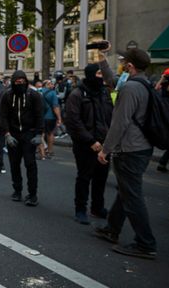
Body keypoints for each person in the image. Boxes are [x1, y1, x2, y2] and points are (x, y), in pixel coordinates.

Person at [94, 48, 157, 259]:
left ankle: (145, 243)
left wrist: (105, 149)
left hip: (130, 148)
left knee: (132, 196)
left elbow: (119, 123)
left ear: (130, 66)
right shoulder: (142, 83)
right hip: (142, 146)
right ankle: (112, 228)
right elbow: (113, 81)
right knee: (126, 191)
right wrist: (102, 58)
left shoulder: (130, 88)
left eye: (123, 62)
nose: (120, 64)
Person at [64, 62, 113, 225]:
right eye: (99, 74)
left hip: (104, 144)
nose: (102, 77)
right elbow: (73, 121)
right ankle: (80, 209)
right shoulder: (77, 94)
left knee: (101, 177)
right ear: (91, 75)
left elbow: (110, 116)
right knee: (84, 177)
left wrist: (108, 141)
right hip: (85, 144)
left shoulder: (105, 93)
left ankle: (97, 208)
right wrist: (90, 141)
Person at [0, 70, 43, 207]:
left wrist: (38, 134)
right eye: (17, 82)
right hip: (13, 134)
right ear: (13, 82)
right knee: (14, 164)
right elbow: (3, 116)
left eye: (22, 82)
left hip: (29, 134)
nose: (20, 84)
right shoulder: (7, 96)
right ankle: (17, 190)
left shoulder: (34, 95)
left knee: (30, 164)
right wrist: (7, 134)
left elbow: (39, 115)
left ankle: (33, 194)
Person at [155, 68, 169, 172]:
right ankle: (162, 163)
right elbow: (157, 88)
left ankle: (162, 163)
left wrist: (162, 77)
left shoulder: (165, 84)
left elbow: (157, 87)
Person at [40, 79, 62, 159]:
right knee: (50, 133)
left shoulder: (39, 91)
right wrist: (59, 118)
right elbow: (55, 106)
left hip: (40, 116)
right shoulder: (53, 93)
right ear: (47, 85)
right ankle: (50, 151)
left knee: (41, 134)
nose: (52, 85)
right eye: (51, 84)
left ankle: (42, 152)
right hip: (50, 117)